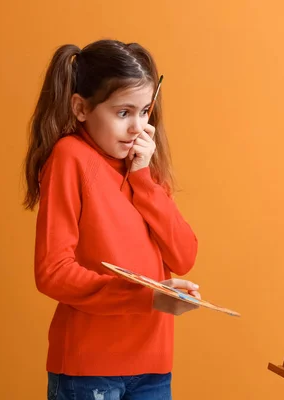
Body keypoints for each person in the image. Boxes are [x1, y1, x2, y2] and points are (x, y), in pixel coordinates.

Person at [22, 39, 200, 400]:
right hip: (89, 369)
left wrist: (143, 181)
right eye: (123, 113)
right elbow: (53, 272)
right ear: (81, 108)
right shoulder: (69, 158)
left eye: (145, 111)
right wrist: (147, 297)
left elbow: (184, 256)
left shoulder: (143, 167)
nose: (138, 127)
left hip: (153, 366)